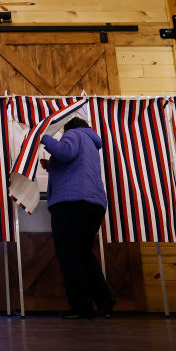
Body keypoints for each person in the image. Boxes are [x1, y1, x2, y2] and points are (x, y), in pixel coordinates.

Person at [39, 115, 115, 319]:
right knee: (83, 253)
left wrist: (44, 136)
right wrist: (51, 166)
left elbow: (65, 152)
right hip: (93, 204)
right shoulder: (90, 142)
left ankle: (82, 307)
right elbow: (73, 163)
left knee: (69, 255)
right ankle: (104, 300)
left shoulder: (73, 134)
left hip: (71, 202)